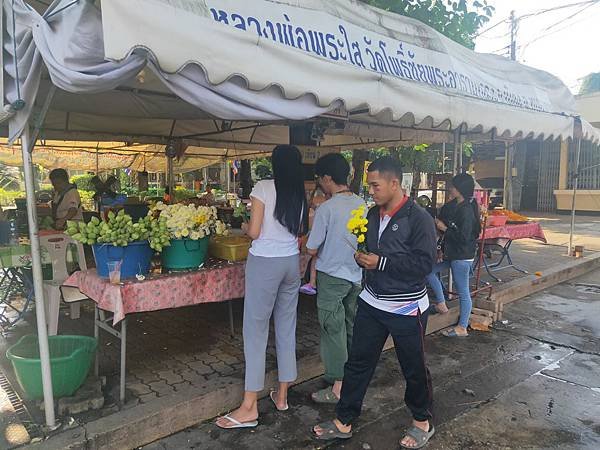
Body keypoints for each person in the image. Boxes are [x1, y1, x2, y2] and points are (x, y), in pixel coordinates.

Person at [313, 156, 437, 450]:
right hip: (371, 301)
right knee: (357, 364)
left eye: (376, 185)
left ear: (395, 183)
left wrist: (380, 262)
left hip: (406, 307)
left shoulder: (419, 219)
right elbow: (369, 248)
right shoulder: (370, 214)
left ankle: (422, 420)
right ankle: (344, 420)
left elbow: (425, 263)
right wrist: (362, 257)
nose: (372, 191)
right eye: (369, 186)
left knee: (413, 368)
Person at [216, 145, 308, 429]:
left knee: (255, 331)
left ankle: (249, 406)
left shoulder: (264, 186)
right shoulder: (300, 193)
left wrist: (243, 227)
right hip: (291, 263)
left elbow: (254, 232)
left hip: (265, 263)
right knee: (286, 326)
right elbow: (301, 231)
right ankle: (282, 395)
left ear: (275, 163)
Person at [305, 153, 366, 404]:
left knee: (332, 328)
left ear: (328, 177)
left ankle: (338, 386)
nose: (319, 182)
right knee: (350, 326)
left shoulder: (327, 208)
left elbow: (311, 248)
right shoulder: (361, 203)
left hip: (332, 275)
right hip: (355, 275)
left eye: (320, 178)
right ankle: (350, 377)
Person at [426, 173, 481, 338]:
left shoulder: (467, 210)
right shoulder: (459, 205)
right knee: (429, 270)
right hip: (454, 255)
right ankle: (442, 304)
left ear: (460, 189)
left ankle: (462, 327)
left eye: (453, 186)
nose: (450, 188)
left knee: (463, 291)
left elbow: (464, 238)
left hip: (462, 257)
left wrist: (444, 229)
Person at [300, 187, 329, 296]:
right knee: (314, 257)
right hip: (318, 235)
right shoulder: (326, 203)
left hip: (316, 235)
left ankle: (311, 282)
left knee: (313, 256)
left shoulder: (320, 204)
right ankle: (312, 282)